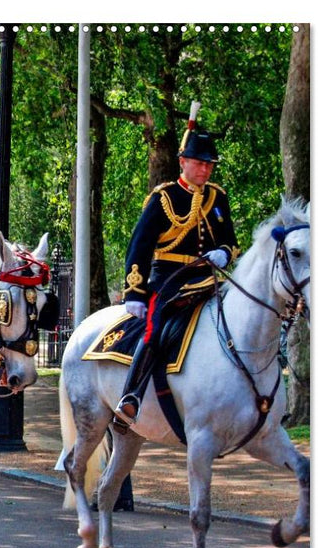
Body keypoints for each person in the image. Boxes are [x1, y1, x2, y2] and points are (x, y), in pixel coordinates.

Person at [113, 105, 239, 429]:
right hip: (169, 282)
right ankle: (132, 396)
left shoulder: (217, 198)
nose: (205, 170)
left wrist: (224, 254)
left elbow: (230, 241)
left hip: (208, 280)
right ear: (183, 162)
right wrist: (135, 293)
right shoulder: (164, 198)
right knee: (154, 331)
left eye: (209, 164)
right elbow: (139, 246)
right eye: (199, 163)